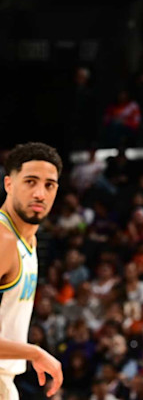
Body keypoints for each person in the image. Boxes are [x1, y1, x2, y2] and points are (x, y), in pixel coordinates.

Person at [0, 142, 64, 398]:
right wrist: (33, 352)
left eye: (49, 185)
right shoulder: (3, 241)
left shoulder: (28, 240)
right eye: (30, 182)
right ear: (9, 184)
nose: (40, 193)